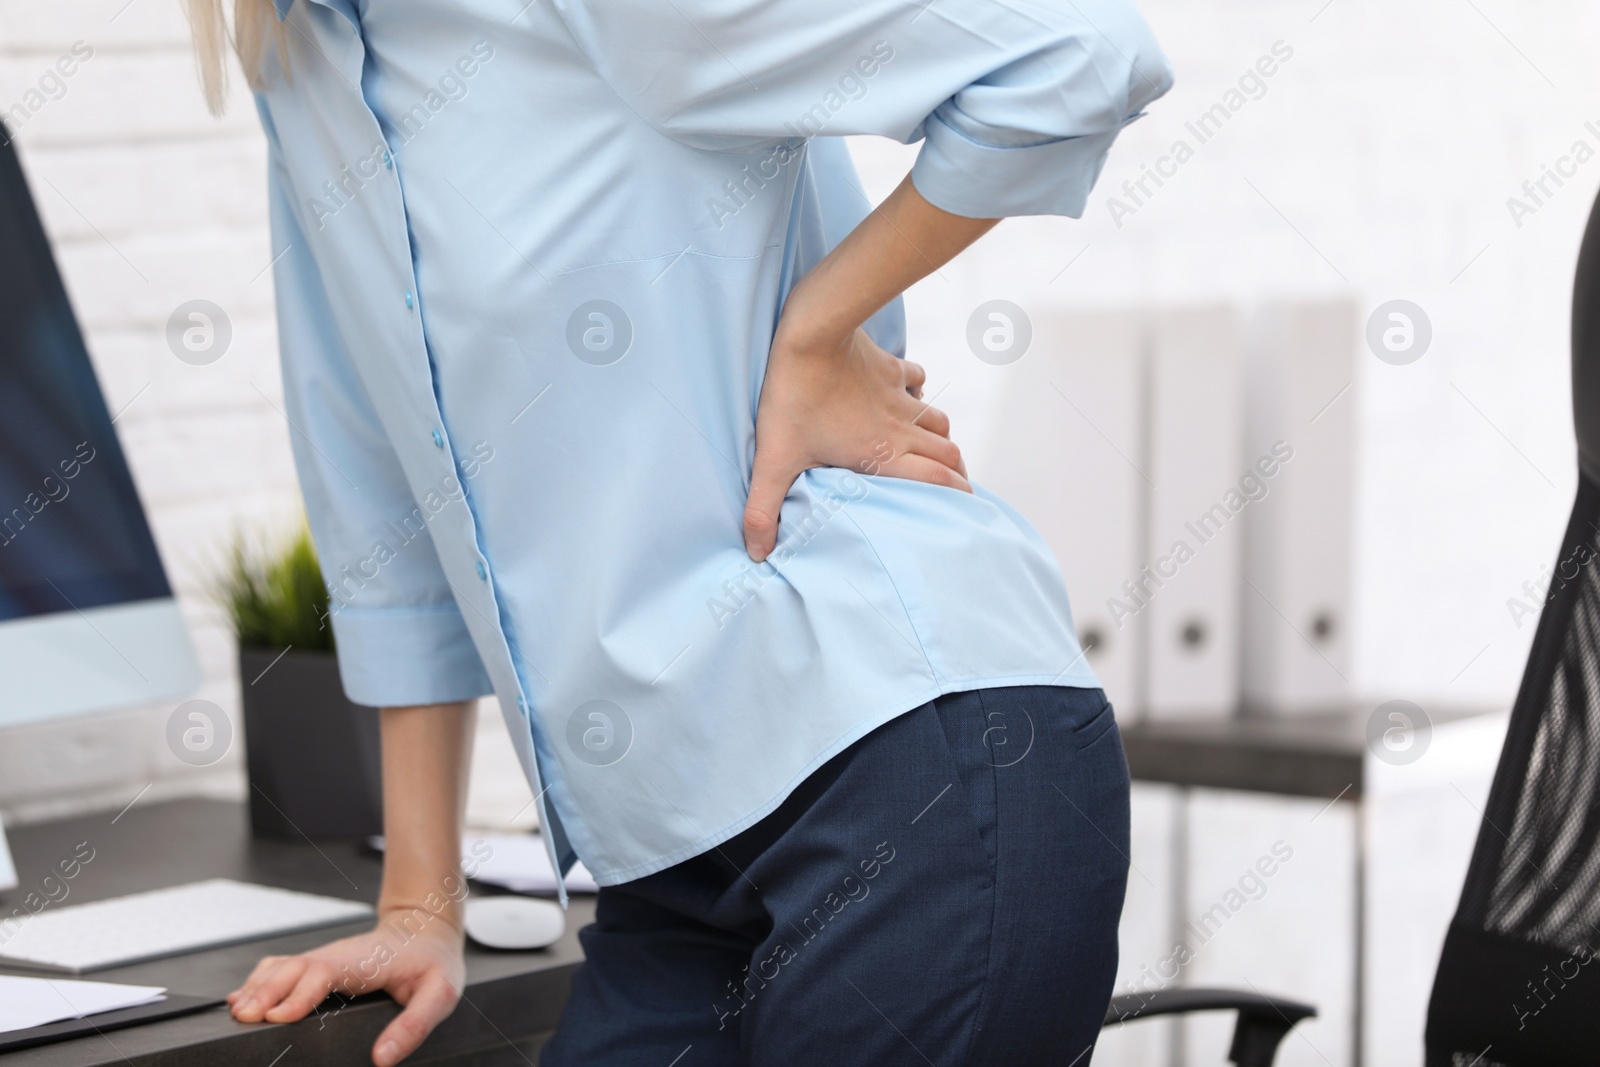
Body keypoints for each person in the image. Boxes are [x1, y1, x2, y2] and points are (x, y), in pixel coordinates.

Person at [191, 0, 1172, 1062]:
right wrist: (418, 904)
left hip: (906, 768)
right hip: (667, 857)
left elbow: (1075, 59)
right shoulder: (298, 53)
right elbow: (388, 485)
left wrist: (816, 329)